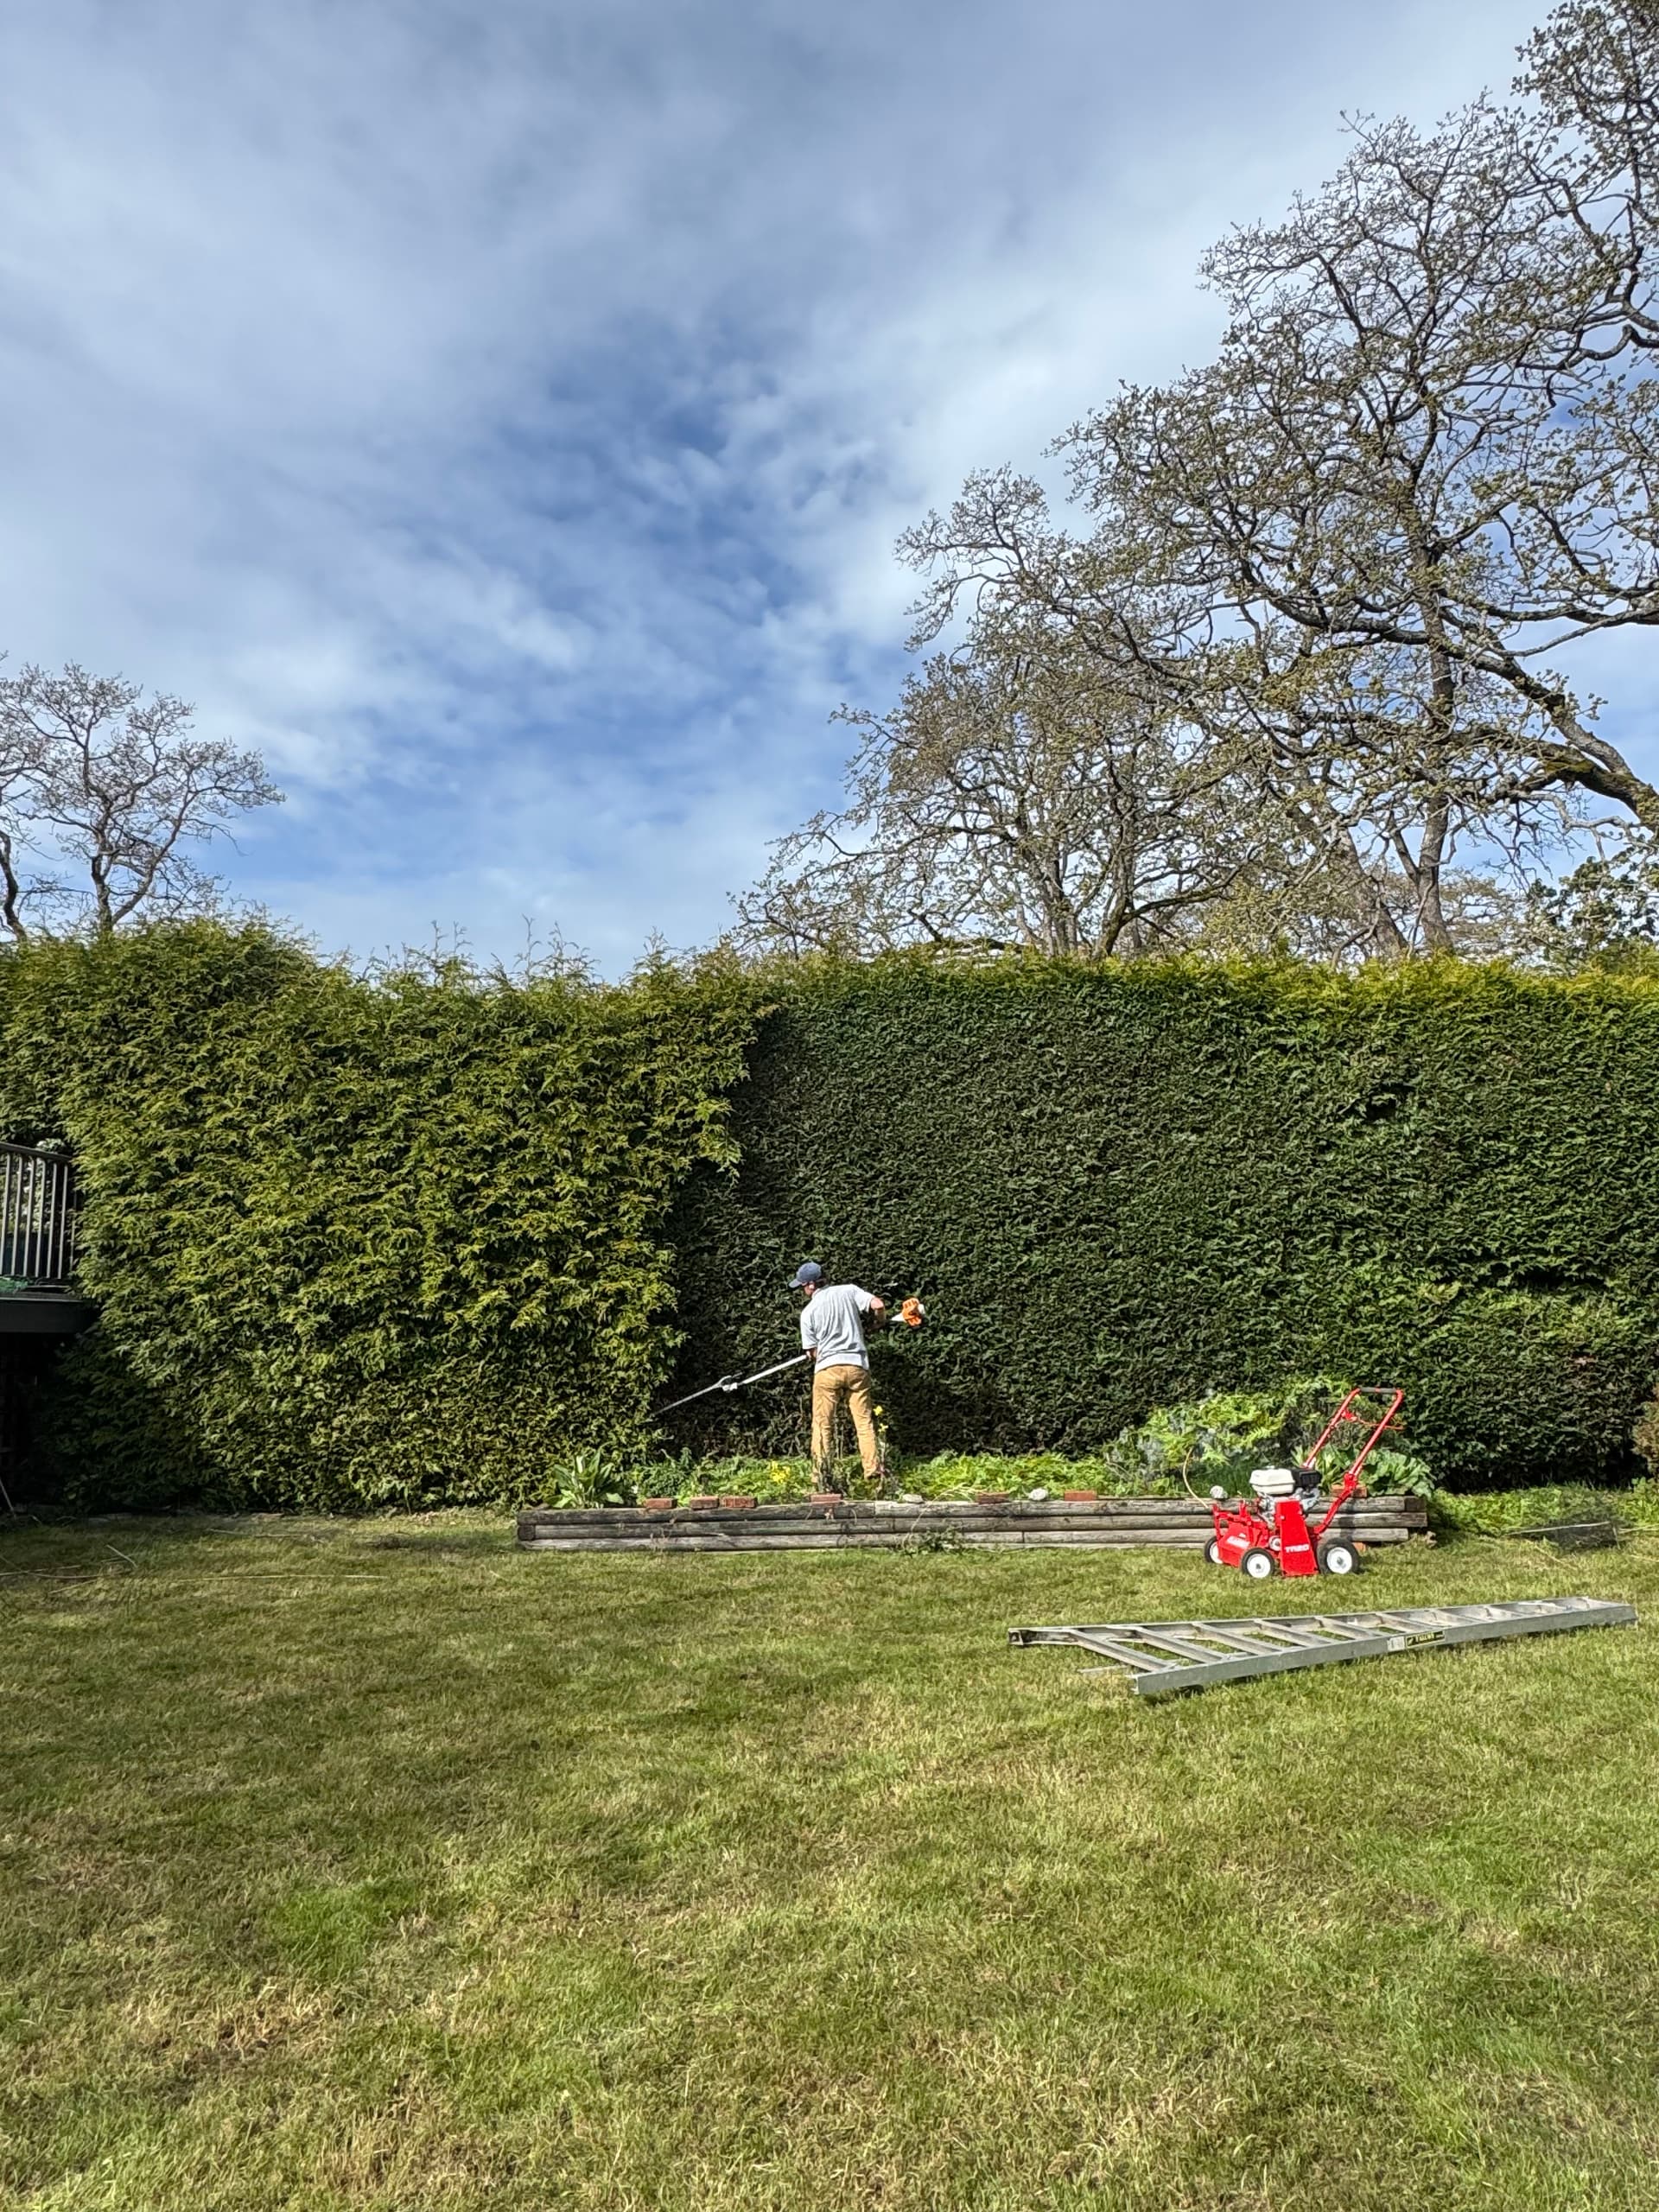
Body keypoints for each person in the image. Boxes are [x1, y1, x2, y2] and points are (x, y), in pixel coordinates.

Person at [791, 1260, 886, 1490]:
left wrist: (814, 1353)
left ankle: (820, 1476)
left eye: (802, 1286)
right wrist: (877, 1324)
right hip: (857, 1366)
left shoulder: (808, 1313)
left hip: (827, 1369)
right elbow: (878, 1304)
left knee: (822, 1424)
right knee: (863, 1422)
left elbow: (813, 1352)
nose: (802, 1290)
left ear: (811, 1285)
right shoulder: (849, 1291)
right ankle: (872, 1471)